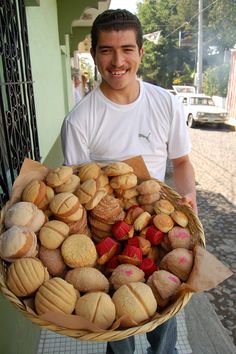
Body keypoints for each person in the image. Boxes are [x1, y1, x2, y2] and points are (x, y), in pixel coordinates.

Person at [61, 9, 197, 354]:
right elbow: (77, 192)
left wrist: (189, 193)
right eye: (106, 50)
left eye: (127, 49)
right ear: (93, 55)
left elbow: (181, 162)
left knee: (164, 315)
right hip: (106, 238)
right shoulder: (80, 120)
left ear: (141, 53)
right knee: (117, 329)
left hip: (157, 228)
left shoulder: (165, 103)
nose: (117, 61)